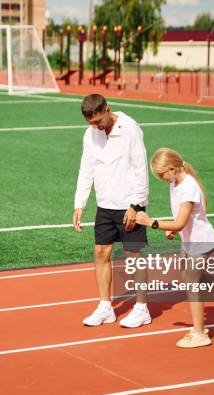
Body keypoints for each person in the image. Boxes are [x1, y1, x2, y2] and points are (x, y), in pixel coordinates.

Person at [135, 148, 214, 348]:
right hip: (189, 240)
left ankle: (200, 333)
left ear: (172, 168)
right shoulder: (175, 182)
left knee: (192, 284)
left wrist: (153, 223)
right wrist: (172, 229)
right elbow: (180, 219)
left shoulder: (189, 188)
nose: (161, 178)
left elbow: (181, 223)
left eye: (161, 174)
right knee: (188, 279)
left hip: (201, 241)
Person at [73, 94, 151, 328]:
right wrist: (80, 203)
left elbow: (140, 168)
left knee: (133, 257)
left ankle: (141, 309)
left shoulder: (130, 129)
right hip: (104, 205)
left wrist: (136, 205)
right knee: (101, 253)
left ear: (107, 110)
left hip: (129, 205)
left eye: (97, 121)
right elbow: (86, 169)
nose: (95, 126)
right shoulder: (90, 134)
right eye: (90, 123)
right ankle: (105, 307)